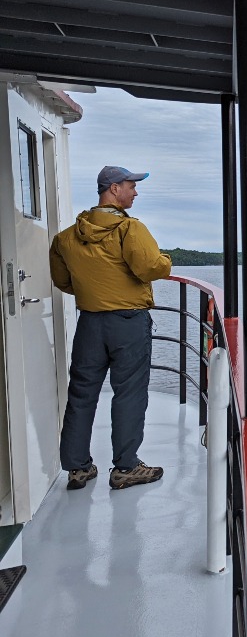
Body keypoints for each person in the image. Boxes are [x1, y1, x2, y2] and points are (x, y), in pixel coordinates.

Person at [49, 165, 172, 490]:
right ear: (114, 188)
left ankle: (78, 468)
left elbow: (63, 281)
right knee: (129, 393)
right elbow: (149, 267)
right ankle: (126, 468)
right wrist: (167, 261)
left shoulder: (65, 238)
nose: (135, 192)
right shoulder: (130, 229)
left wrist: (98, 291)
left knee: (81, 394)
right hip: (127, 323)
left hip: (90, 322)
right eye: (131, 186)